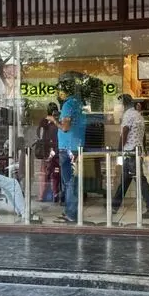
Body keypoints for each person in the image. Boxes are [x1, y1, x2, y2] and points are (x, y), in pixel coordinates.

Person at [46, 75, 86, 223]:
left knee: (69, 182)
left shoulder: (68, 105)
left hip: (68, 148)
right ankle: (70, 211)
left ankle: (71, 214)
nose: (58, 94)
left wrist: (54, 120)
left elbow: (65, 127)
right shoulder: (78, 103)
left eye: (59, 91)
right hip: (75, 146)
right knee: (70, 182)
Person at [112, 94, 149, 219]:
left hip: (130, 152)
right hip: (136, 151)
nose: (118, 108)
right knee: (125, 180)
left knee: (140, 181)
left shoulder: (128, 115)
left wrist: (118, 151)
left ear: (123, 104)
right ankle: (114, 206)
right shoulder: (138, 115)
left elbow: (125, 133)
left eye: (119, 105)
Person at [37, 102, 61, 203]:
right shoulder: (58, 122)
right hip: (57, 151)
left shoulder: (44, 121)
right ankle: (56, 193)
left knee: (44, 174)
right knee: (56, 173)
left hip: (46, 151)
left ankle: (42, 195)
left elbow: (39, 135)